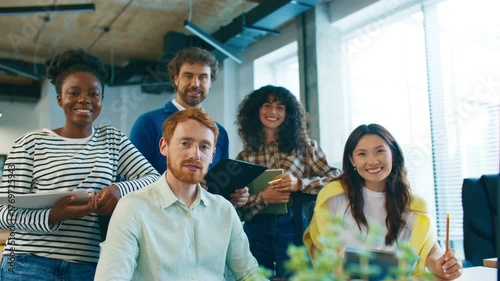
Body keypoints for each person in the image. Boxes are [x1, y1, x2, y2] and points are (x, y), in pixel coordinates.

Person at [0, 49, 160, 280]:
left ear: (102, 100)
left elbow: (154, 179)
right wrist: (52, 216)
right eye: (74, 92)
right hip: (28, 264)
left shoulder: (112, 139)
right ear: (59, 99)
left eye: (93, 94)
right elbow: (3, 212)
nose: (84, 99)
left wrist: (119, 189)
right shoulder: (28, 143)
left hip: (88, 267)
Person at [95, 109, 263, 280]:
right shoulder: (132, 208)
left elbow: (249, 274)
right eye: (185, 143)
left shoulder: (224, 210)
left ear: (212, 155)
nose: (195, 155)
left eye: (204, 146)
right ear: (164, 146)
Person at [304, 124, 463, 280]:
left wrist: (443, 266)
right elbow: (318, 246)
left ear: (393, 155)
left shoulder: (413, 204)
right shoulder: (334, 196)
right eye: (362, 154)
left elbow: (430, 250)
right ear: (352, 160)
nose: (372, 161)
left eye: (380, 151)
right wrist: (335, 271)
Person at [236, 85, 339, 279]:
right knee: (255, 277)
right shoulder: (245, 155)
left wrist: (299, 184)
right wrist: (263, 198)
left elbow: (337, 178)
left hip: (294, 224)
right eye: (267, 105)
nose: (273, 112)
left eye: (280, 107)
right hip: (256, 227)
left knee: (296, 276)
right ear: (256, 110)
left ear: (289, 113)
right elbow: (239, 207)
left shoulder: (306, 147)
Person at [129, 47, 248, 207]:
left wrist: (235, 196)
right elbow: (133, 179)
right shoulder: (148, 123)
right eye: (188, 76)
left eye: (203, 77)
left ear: (210, 82)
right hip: (158, 216)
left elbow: (220, 186)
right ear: (175, 78)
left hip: (205, 220)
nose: (195, 84)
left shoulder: (220, 132)